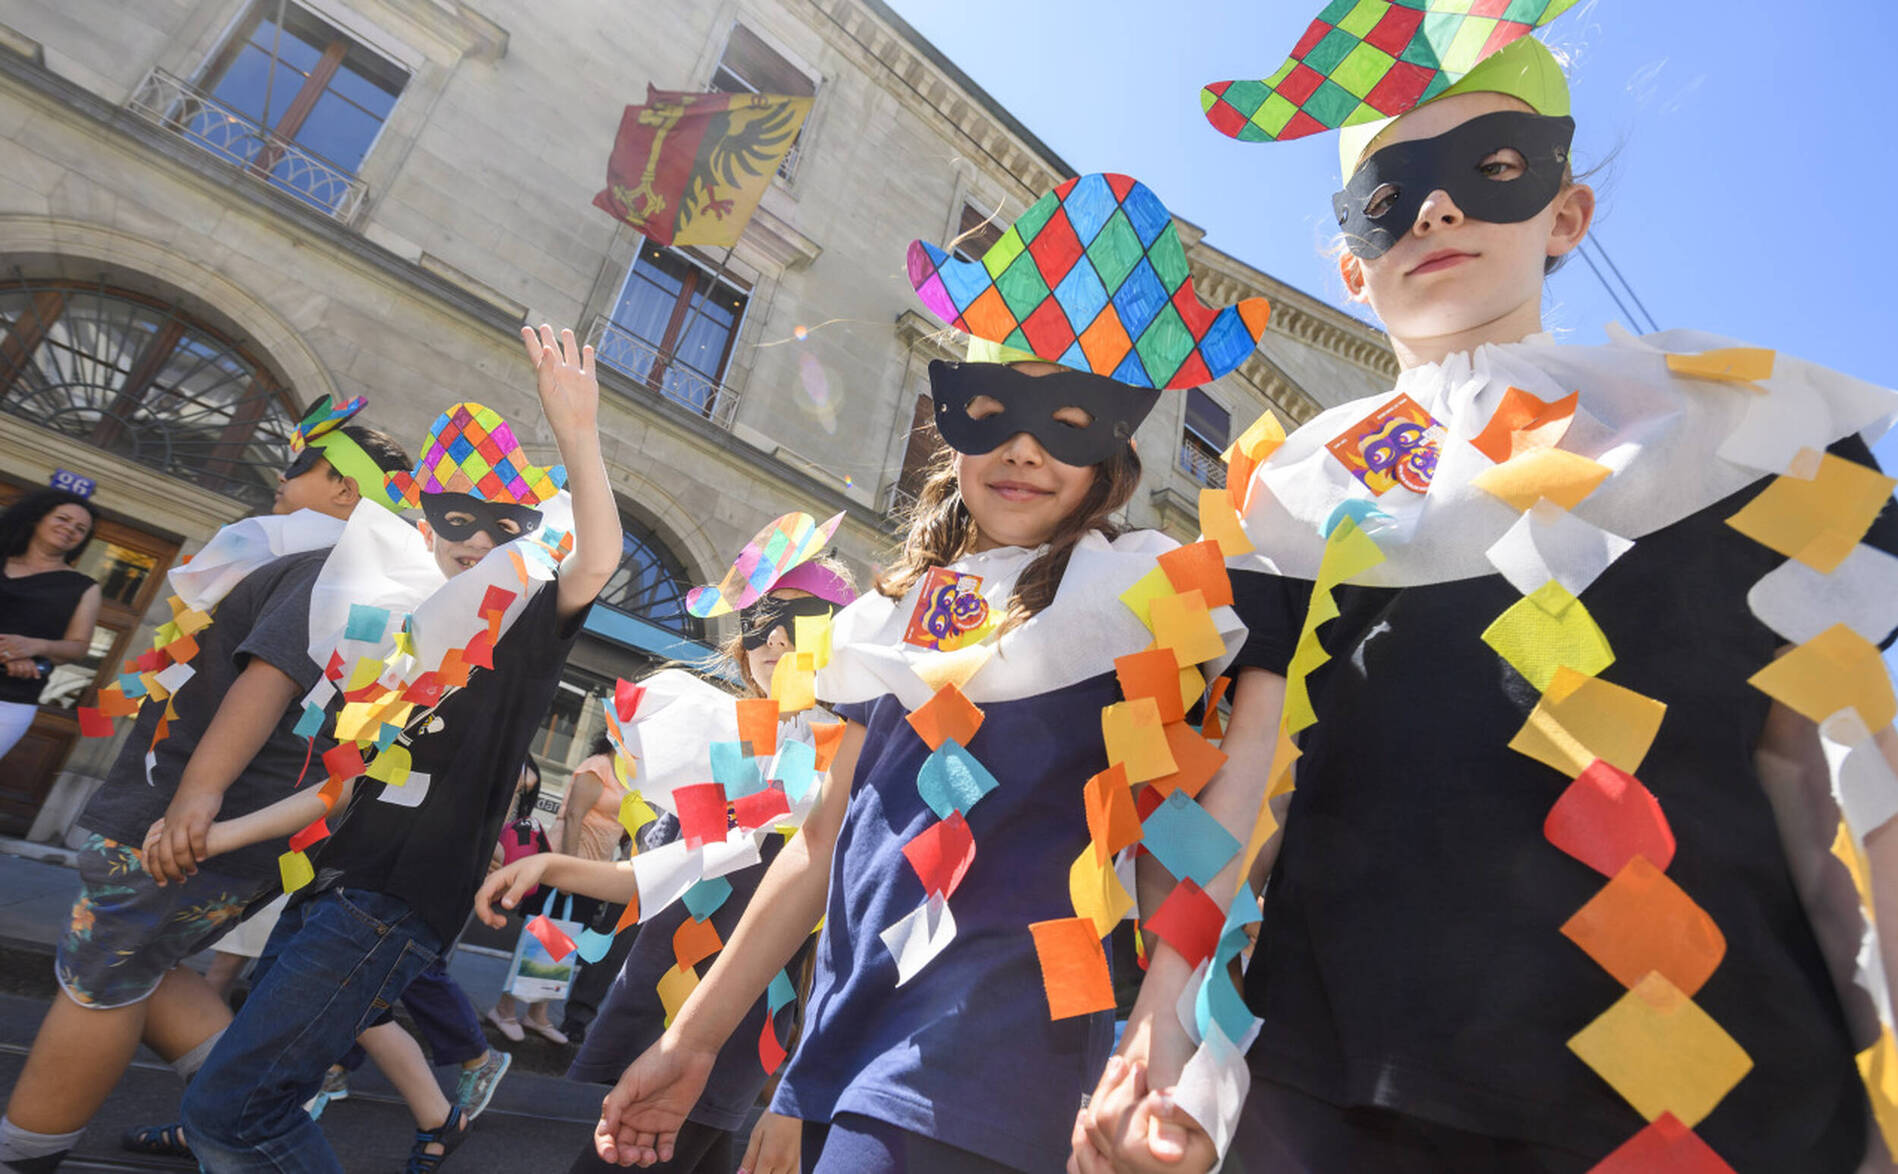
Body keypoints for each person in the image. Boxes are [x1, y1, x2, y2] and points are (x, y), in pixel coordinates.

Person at [1077, 14, 1898, 1173]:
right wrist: (1161, 1005)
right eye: (1388, 192)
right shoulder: (1291, 494)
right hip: (1340, 1092)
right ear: (1351, 267)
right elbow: (1248, 768)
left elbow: (1822, 775)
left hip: (1709, 1099)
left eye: (1489, 167)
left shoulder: (1741, 434)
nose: (1437, 211)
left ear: (1565, 212)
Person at [581, 175, 1259, 1174]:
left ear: (1112, 445)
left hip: (1002, 1060)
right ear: (953, 425)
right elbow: (819, 853)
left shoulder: (1144, 597)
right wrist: (698, 1041)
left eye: (1066, 420)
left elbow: (1180, 839)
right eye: (993, 411)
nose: (1024, 447)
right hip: (853, 1053)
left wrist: (1161, 1036)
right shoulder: (878, 622)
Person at [169, 325, 620, 1174]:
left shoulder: (523, 628)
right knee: (232, 1105)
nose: (478, 540)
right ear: (422, 524)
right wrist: (213, 836)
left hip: (391, 907)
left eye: (501, 526)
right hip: (328, 893)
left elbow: (596, 561)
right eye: (457, 518)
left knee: (232, 1111)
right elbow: (348, 786)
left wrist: (578, 430)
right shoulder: (397, 644)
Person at [0, 398, 408, 1174]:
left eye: (296, 469)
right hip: (227, 826)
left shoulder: (324, 564)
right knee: (146, 965)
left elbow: (271, 677)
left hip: (188, 822)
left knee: (104, 977)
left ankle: (23, 1151)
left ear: (343, 490)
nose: (279, 485)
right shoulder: (343, 569)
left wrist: (198, 795)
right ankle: (249, 1117)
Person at [477, 540, 859, 1174]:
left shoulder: (847, 766)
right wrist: (550, 867)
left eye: (801, 623)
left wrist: (799, 1089)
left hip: (737, 1027)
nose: (776, 641)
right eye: (761, 618)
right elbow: (656, 875)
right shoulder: (721, 745)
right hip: (661, 1002)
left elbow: (840, 937)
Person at [491, 747, 615, 1044]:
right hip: (566, 863)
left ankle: (538, 1013)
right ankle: (505, 1009)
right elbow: (574, 816)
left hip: (593, 872)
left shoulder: (630, 774)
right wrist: (569, 868)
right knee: (542, 939)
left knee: (563, 944)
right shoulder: (598, 766)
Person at [0, 489, 102, 760]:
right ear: (38, 518)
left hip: (10, 701)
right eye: (63, 519)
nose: (70, 529)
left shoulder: (84, 588)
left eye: (80, 528)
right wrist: (8, 653)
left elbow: (78, 648)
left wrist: (34, 646)